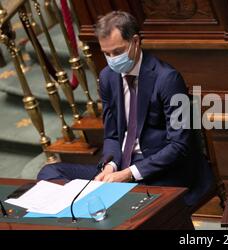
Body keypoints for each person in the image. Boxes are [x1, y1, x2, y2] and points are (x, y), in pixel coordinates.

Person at [38, 11, 213, 209]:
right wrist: (110, 165)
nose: (112, 59)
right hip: (121, 167)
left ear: (135, 41)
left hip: (159, 172)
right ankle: (79, 211)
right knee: (49, 173)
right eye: (107, 53)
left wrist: (129, 173)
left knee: (125, 205)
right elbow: (112, 135)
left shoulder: (167, 79)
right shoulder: (107, 77)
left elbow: (179, 146)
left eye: (118, 52)